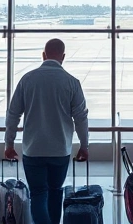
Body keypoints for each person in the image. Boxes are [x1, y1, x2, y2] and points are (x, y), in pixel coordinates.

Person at [5, 38, 89, 224]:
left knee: (38, 194)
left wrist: (9, 144)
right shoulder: (72, 82)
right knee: (55, 191)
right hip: (60, 150)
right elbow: (81, 118)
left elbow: (13, 114)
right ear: (63, 57)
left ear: (43, 55)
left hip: (32, 150)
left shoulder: (27, 79)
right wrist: (84, 145)